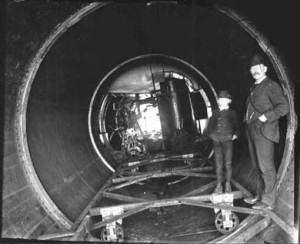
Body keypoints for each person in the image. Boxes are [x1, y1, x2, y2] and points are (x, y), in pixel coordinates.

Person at [244, 53, 289, 210]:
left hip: (264, 131)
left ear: (265, 69)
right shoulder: (254, 88)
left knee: (266, 167)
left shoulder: (271, 85)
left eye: (258, 67)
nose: (255, 70)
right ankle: (259, 196)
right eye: (253, 68)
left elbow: (284, 107)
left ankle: (268, 202)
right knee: (257, 166)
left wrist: (265, 117)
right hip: (252, 130)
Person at [204, 90, 240, 194]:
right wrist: (211, 135)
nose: (222, 102)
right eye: (220, 100)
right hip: (217, 141)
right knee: (219, 165)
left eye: (225, 100)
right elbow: (209, 126)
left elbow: (237, 126)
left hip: (228, 141)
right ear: (218, 101)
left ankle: (227, 185)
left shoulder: (232, 113)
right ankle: (219, 185)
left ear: (229, 101)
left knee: (228, 164)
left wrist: (235, 135)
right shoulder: (215, 112)